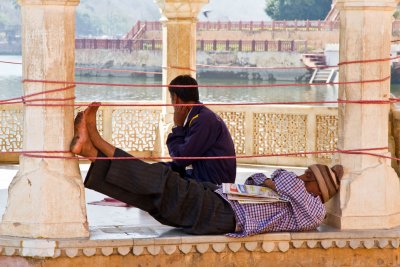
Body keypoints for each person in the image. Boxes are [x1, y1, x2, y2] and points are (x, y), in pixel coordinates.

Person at [70, 104, 343, 237]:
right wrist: (275, 183)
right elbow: (257, 178)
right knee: (153, 199)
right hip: (219, 199)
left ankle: (99, 142)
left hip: (224, 215)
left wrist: (279, 182)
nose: (302, 177)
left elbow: (281, 177)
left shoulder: (312, 212)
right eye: (306, 173)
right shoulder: (293, 198)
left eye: (309, 179)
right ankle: (90, 151)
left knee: (163, 180)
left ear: (320, 193)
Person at [166, 75, 236, 184]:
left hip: (212, 184)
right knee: (161, 169)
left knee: (161, 179)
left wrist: (178, 126)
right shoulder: (199, 116)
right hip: (204, 176)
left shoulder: (203, 120)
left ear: (175, 98)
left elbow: (180, 159)